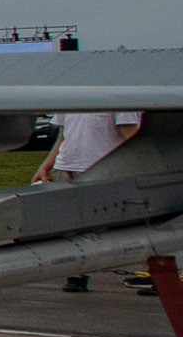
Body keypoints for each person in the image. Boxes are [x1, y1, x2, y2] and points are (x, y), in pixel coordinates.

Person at [38, 110, 140, 290]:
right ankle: (76, 274)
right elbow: (62, 137)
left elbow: (131, 136)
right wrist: (46, 165)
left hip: (99, 169)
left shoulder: (119, 100)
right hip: (66, 166)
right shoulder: (70, 98)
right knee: (69, 225)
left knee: (113, 224)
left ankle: (159, 270)